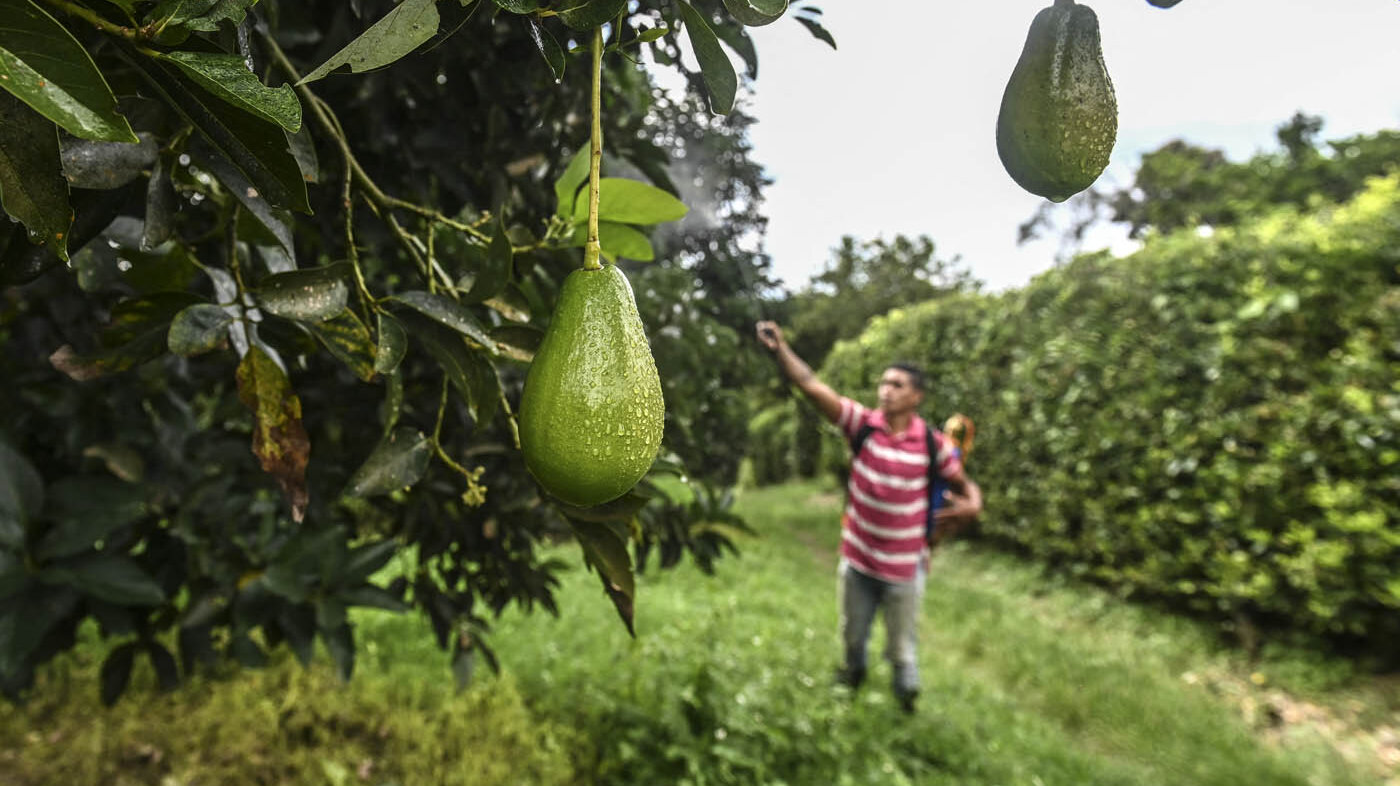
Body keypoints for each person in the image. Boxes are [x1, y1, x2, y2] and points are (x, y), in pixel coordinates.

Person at [755, 320, 983, 713]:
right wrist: (781, 351)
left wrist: (974, 504)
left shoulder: (933, 443)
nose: (886, 390)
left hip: (905, 569)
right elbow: (811, 385)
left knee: (901, 642)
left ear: (917, 396)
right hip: (858, 560)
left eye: (897, 385)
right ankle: (852, 678)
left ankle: (904, 695)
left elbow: (965, 484)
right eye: (883, 383)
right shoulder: (861, 425)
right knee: (853, 634)